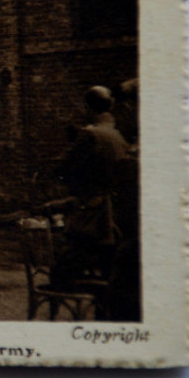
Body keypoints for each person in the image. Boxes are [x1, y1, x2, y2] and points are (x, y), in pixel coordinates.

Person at [53, 85, 132, 312]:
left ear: (87, 107)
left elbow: (66, 169)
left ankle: (58, 310)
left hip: (93, 218)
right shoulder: (118, 136)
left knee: (62, 264)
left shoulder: (89, 135)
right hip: (117, 218)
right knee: (109, 270)